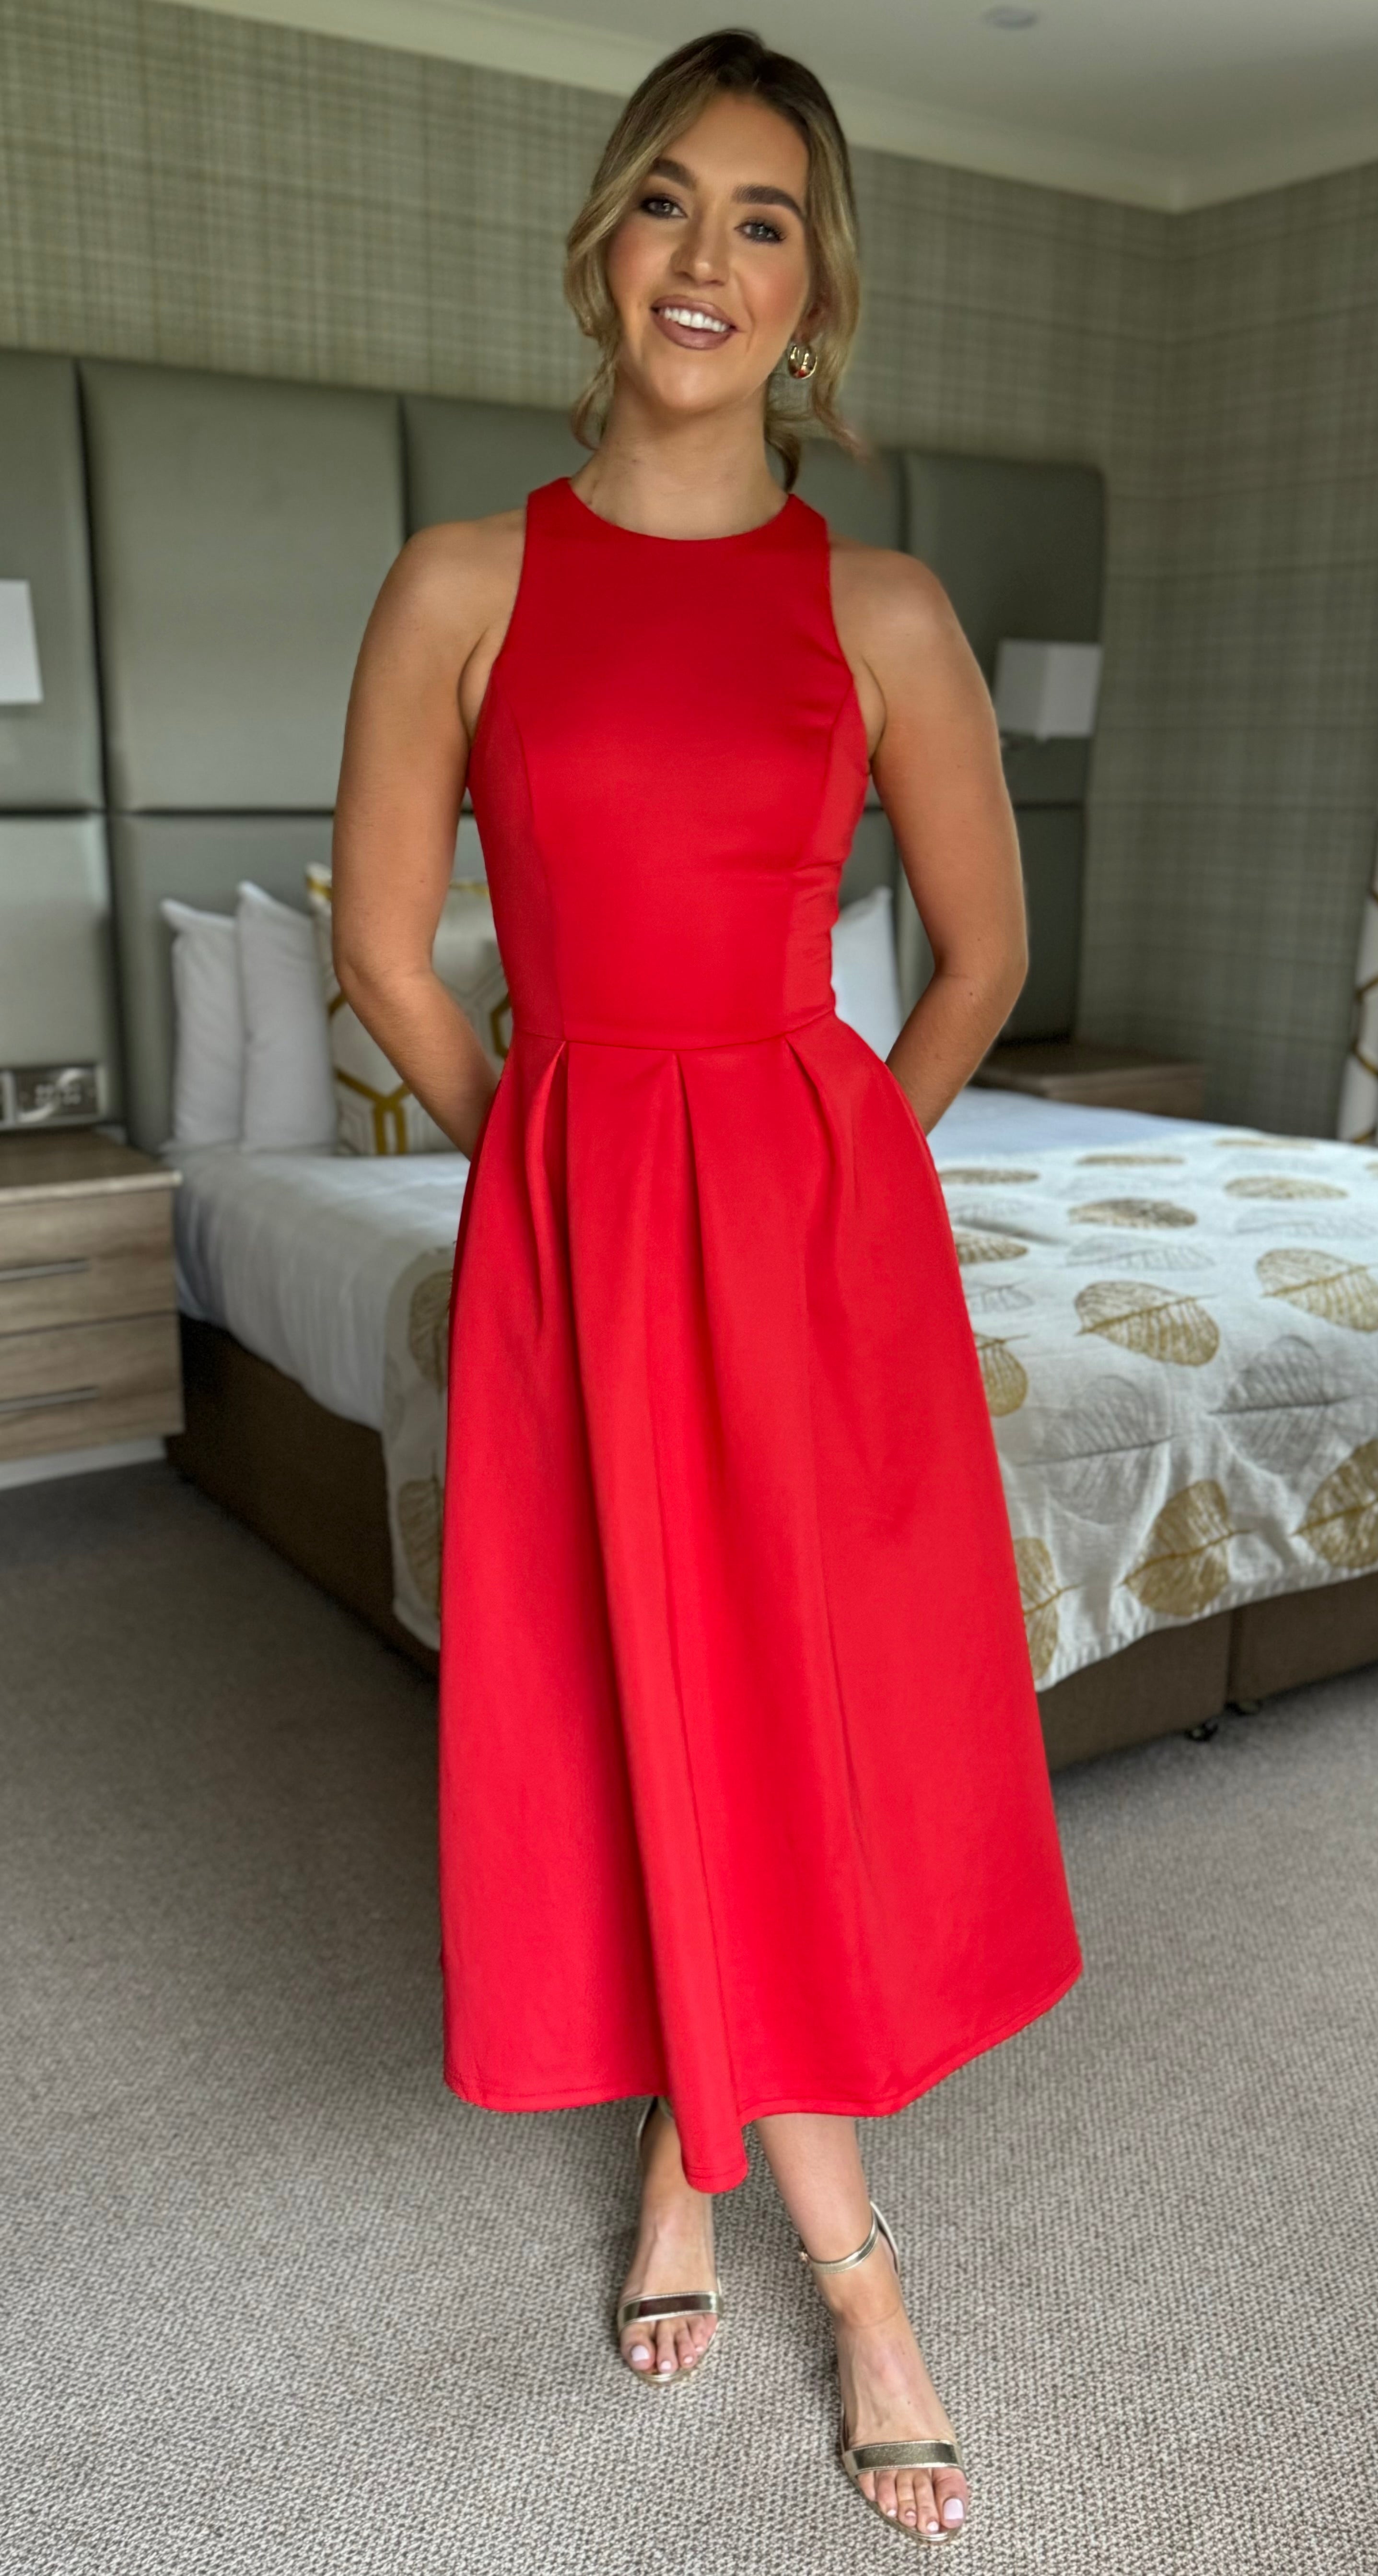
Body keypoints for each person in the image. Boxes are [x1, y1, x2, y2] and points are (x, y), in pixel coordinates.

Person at [332, 26, 1081, 2546]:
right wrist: (545, 1169)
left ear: (815, 290)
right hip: (578, 1225)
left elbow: (980, 959)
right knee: (625, 1685)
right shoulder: (462, 581)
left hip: (805, 1238)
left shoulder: (881, 605)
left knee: (797, 1703)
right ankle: (797, 2213)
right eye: (669, 199)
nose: (709, 259)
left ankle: (768, 2198)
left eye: (767, 221)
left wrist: (838, 1173)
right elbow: (387, 950)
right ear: (603, 242)